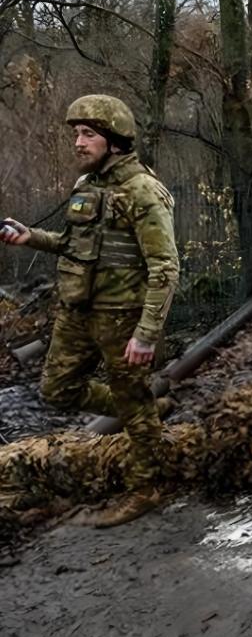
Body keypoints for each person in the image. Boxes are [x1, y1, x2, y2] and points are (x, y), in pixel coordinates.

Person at [0, 94, 179, 527]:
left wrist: (146, 334)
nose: (78, 142)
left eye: (88, 134)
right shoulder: (87, 187)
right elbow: (74, 244)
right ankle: (144, 408)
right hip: (77, 312)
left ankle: (146, 489)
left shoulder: (143, 191)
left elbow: (165, 267)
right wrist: (33, 238)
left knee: (134, 408)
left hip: (122, 319)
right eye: (77, 134)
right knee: (57, 390)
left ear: (114, 141)